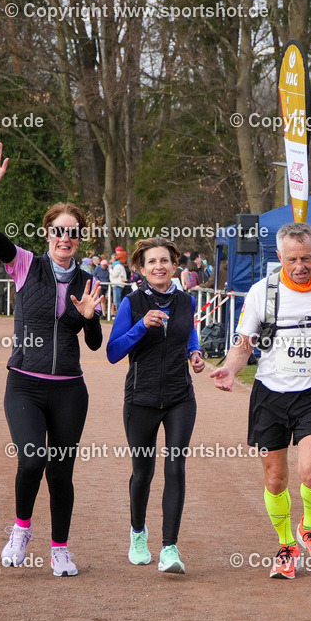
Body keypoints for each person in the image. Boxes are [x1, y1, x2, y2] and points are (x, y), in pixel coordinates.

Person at [0, 141, 103, 578]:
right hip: (25, 384)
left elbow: (92, 344)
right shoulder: (25, 265)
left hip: (69, 388)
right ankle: (21, 530)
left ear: (80, 238)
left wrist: (87, 317)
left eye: (73, 232)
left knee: (61, 472)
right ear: (47, 233)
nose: (65, 237)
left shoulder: (89, 281)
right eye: (58, 230)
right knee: (32, 459)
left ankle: (61, 549)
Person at [210, 222, 311, 579]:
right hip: (270, 395)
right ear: (279, 257)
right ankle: (285, 544)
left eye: (306, 258)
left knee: (310, 472)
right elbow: (243, 343)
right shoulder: (262, 292)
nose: (300, 265)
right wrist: (231, 370)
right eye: (292, 258)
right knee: (276, 480)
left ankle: (309, 527)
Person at [106, 237, 205, 575]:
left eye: (165, 261)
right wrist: (140, 326)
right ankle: (137, 535)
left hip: (180, 397)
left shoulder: (185, 301)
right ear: (141, 268)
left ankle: (170, 548)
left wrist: (195, 352)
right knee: (143, 472)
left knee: (175, 468)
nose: (159, 267)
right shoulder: (131, 303)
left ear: (175, 266)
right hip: (141, 398)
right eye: (152, 262)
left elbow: (188, 333)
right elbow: (113, 352)